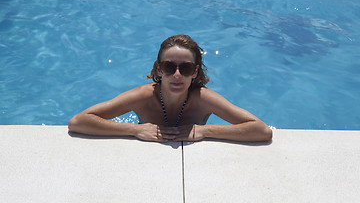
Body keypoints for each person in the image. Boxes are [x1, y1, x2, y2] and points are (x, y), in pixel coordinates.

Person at [68, 35, 272, 143]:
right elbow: (78, 122)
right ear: (158, 68)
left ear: (195, 72)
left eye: (185, 68)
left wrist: (206, 131)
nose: (176, 75)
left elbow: (261, 130)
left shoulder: (203, 99)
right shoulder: (143, 96)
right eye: (168, 67)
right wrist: (134, 130)